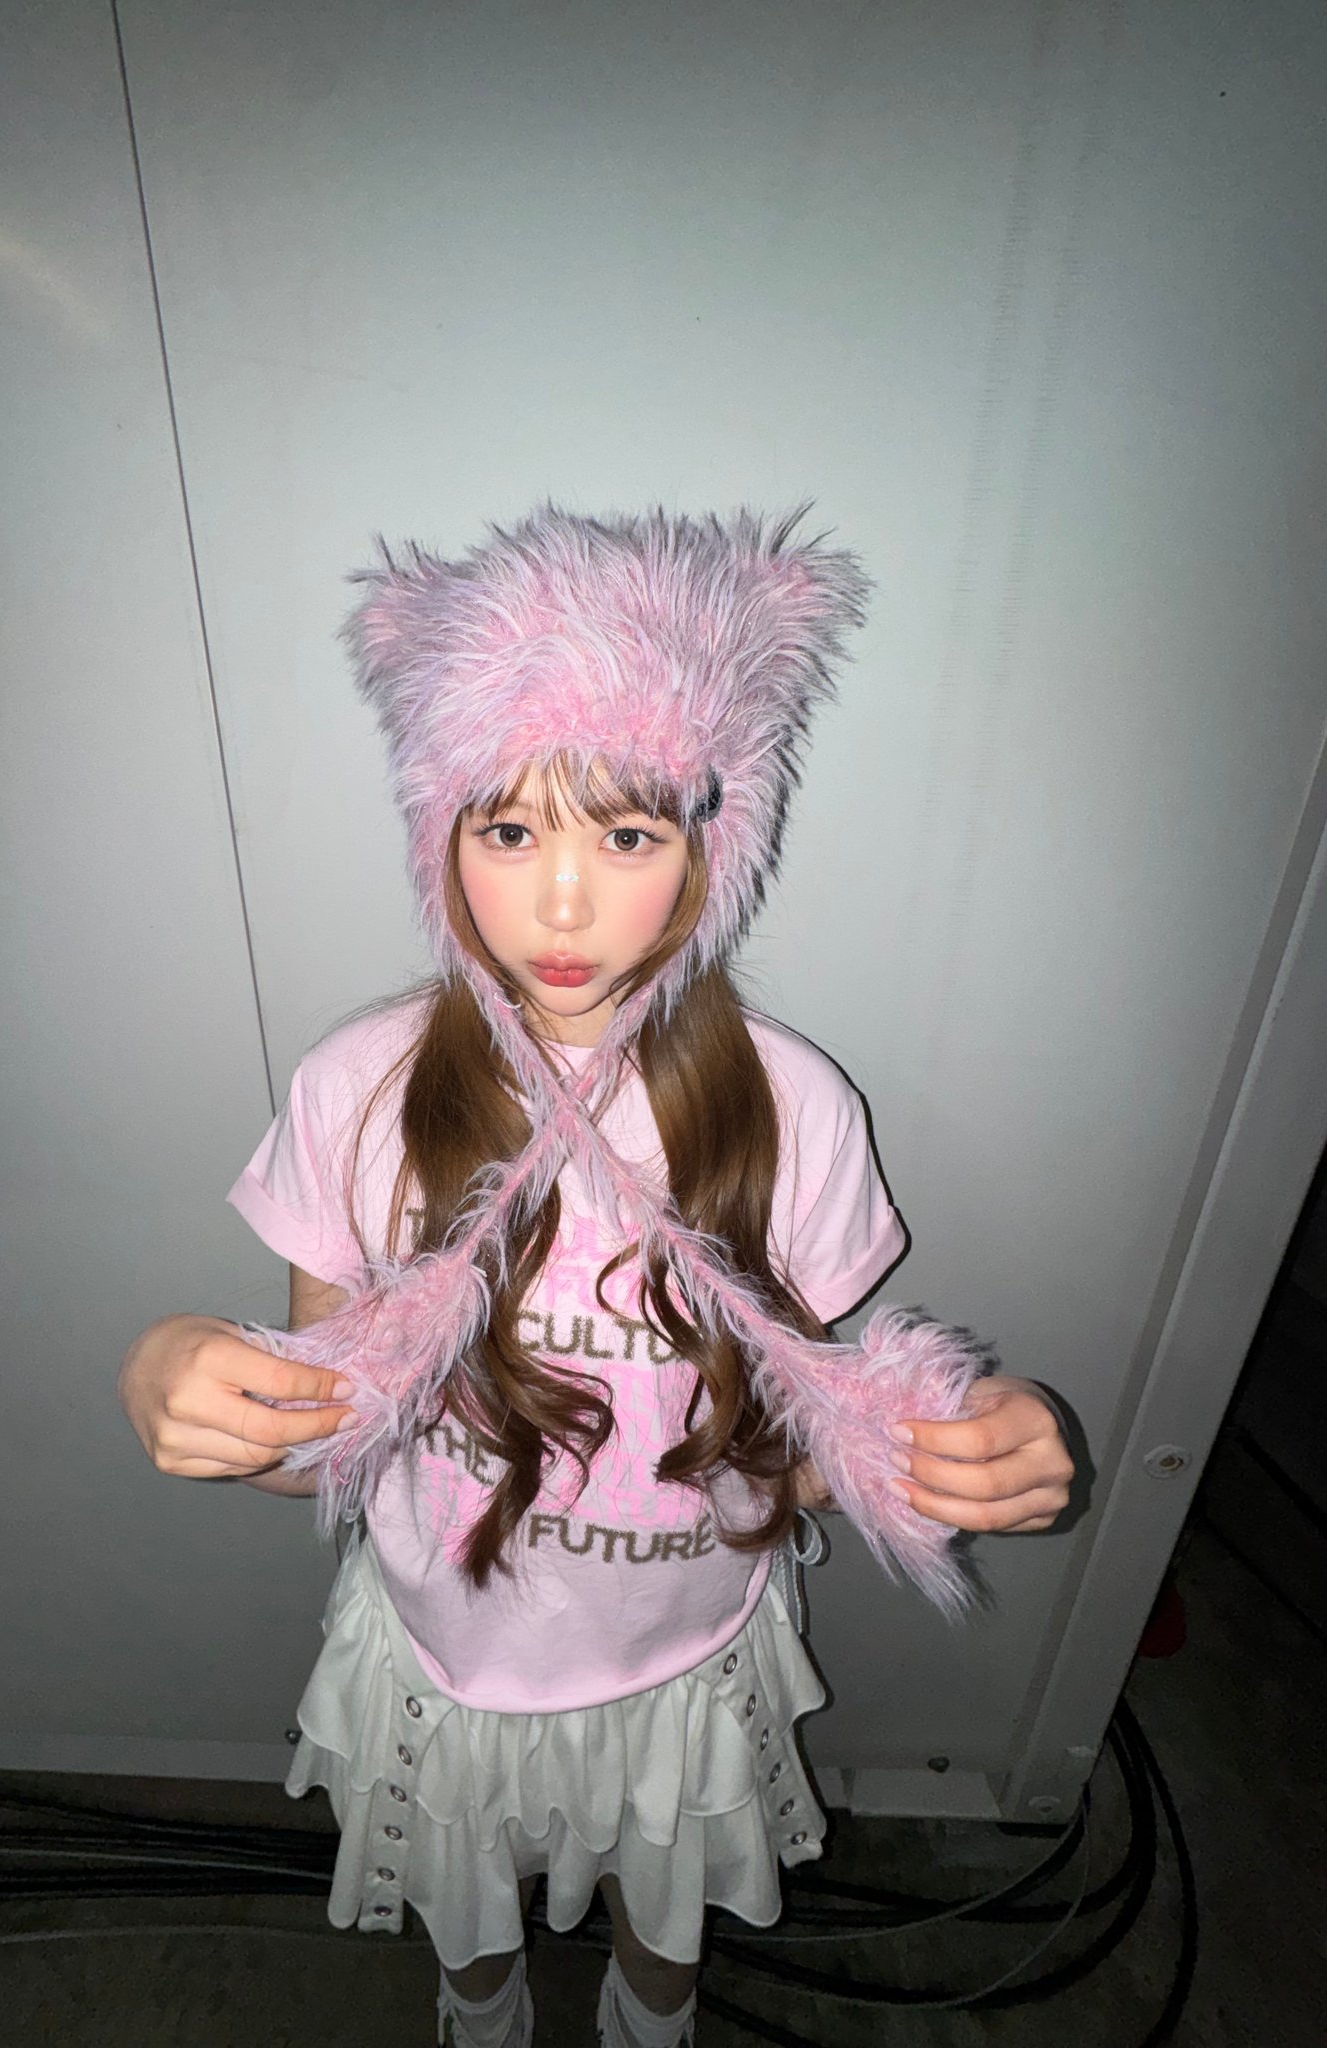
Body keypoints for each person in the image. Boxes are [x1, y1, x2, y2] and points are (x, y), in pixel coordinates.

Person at [119, 503, 1075, 2048]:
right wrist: (172, 1369)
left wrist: (944, 1446)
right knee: (468, 1923)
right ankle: (482, 2015)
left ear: (711, 843)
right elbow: (316, 1442)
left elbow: (799, 1454)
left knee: (667, 1908)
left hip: (684, 1666)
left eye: (627, 835)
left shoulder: (795, 1106)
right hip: (448, 1661)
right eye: (509, 831)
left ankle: (648, 2020)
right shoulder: (360, 1091)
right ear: (440, 834)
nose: (561, 905)